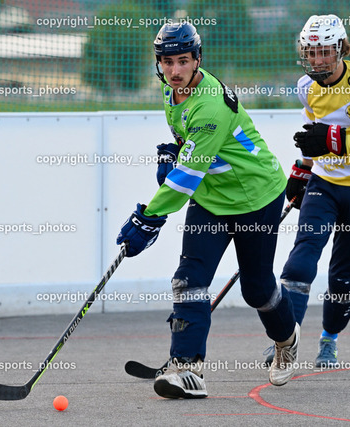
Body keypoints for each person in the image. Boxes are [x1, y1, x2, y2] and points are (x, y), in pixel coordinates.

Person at [116, 22, 299, 399]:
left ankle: (287, 340)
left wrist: (147, 218)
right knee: (189, 278)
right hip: (212, 198)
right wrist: (175, 149)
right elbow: (191, 149)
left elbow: (185, 179)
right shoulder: (172, 92)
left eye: (183, 61)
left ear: (198, 59)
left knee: (258, 289)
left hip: (255, 197)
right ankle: (187, 367)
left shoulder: (211, 104)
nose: (175, 70)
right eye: (167, 62)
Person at [266, 14, 350, 368]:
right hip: (325, 182)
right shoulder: (305, 87)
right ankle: (286, 337)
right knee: (303, 253)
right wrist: (302, 169)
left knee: (344, 273)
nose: (317, 60)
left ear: (340, 49)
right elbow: (315, 135)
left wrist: (333, 140)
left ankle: (329, 339)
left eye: (324, 52)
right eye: (310, 53)